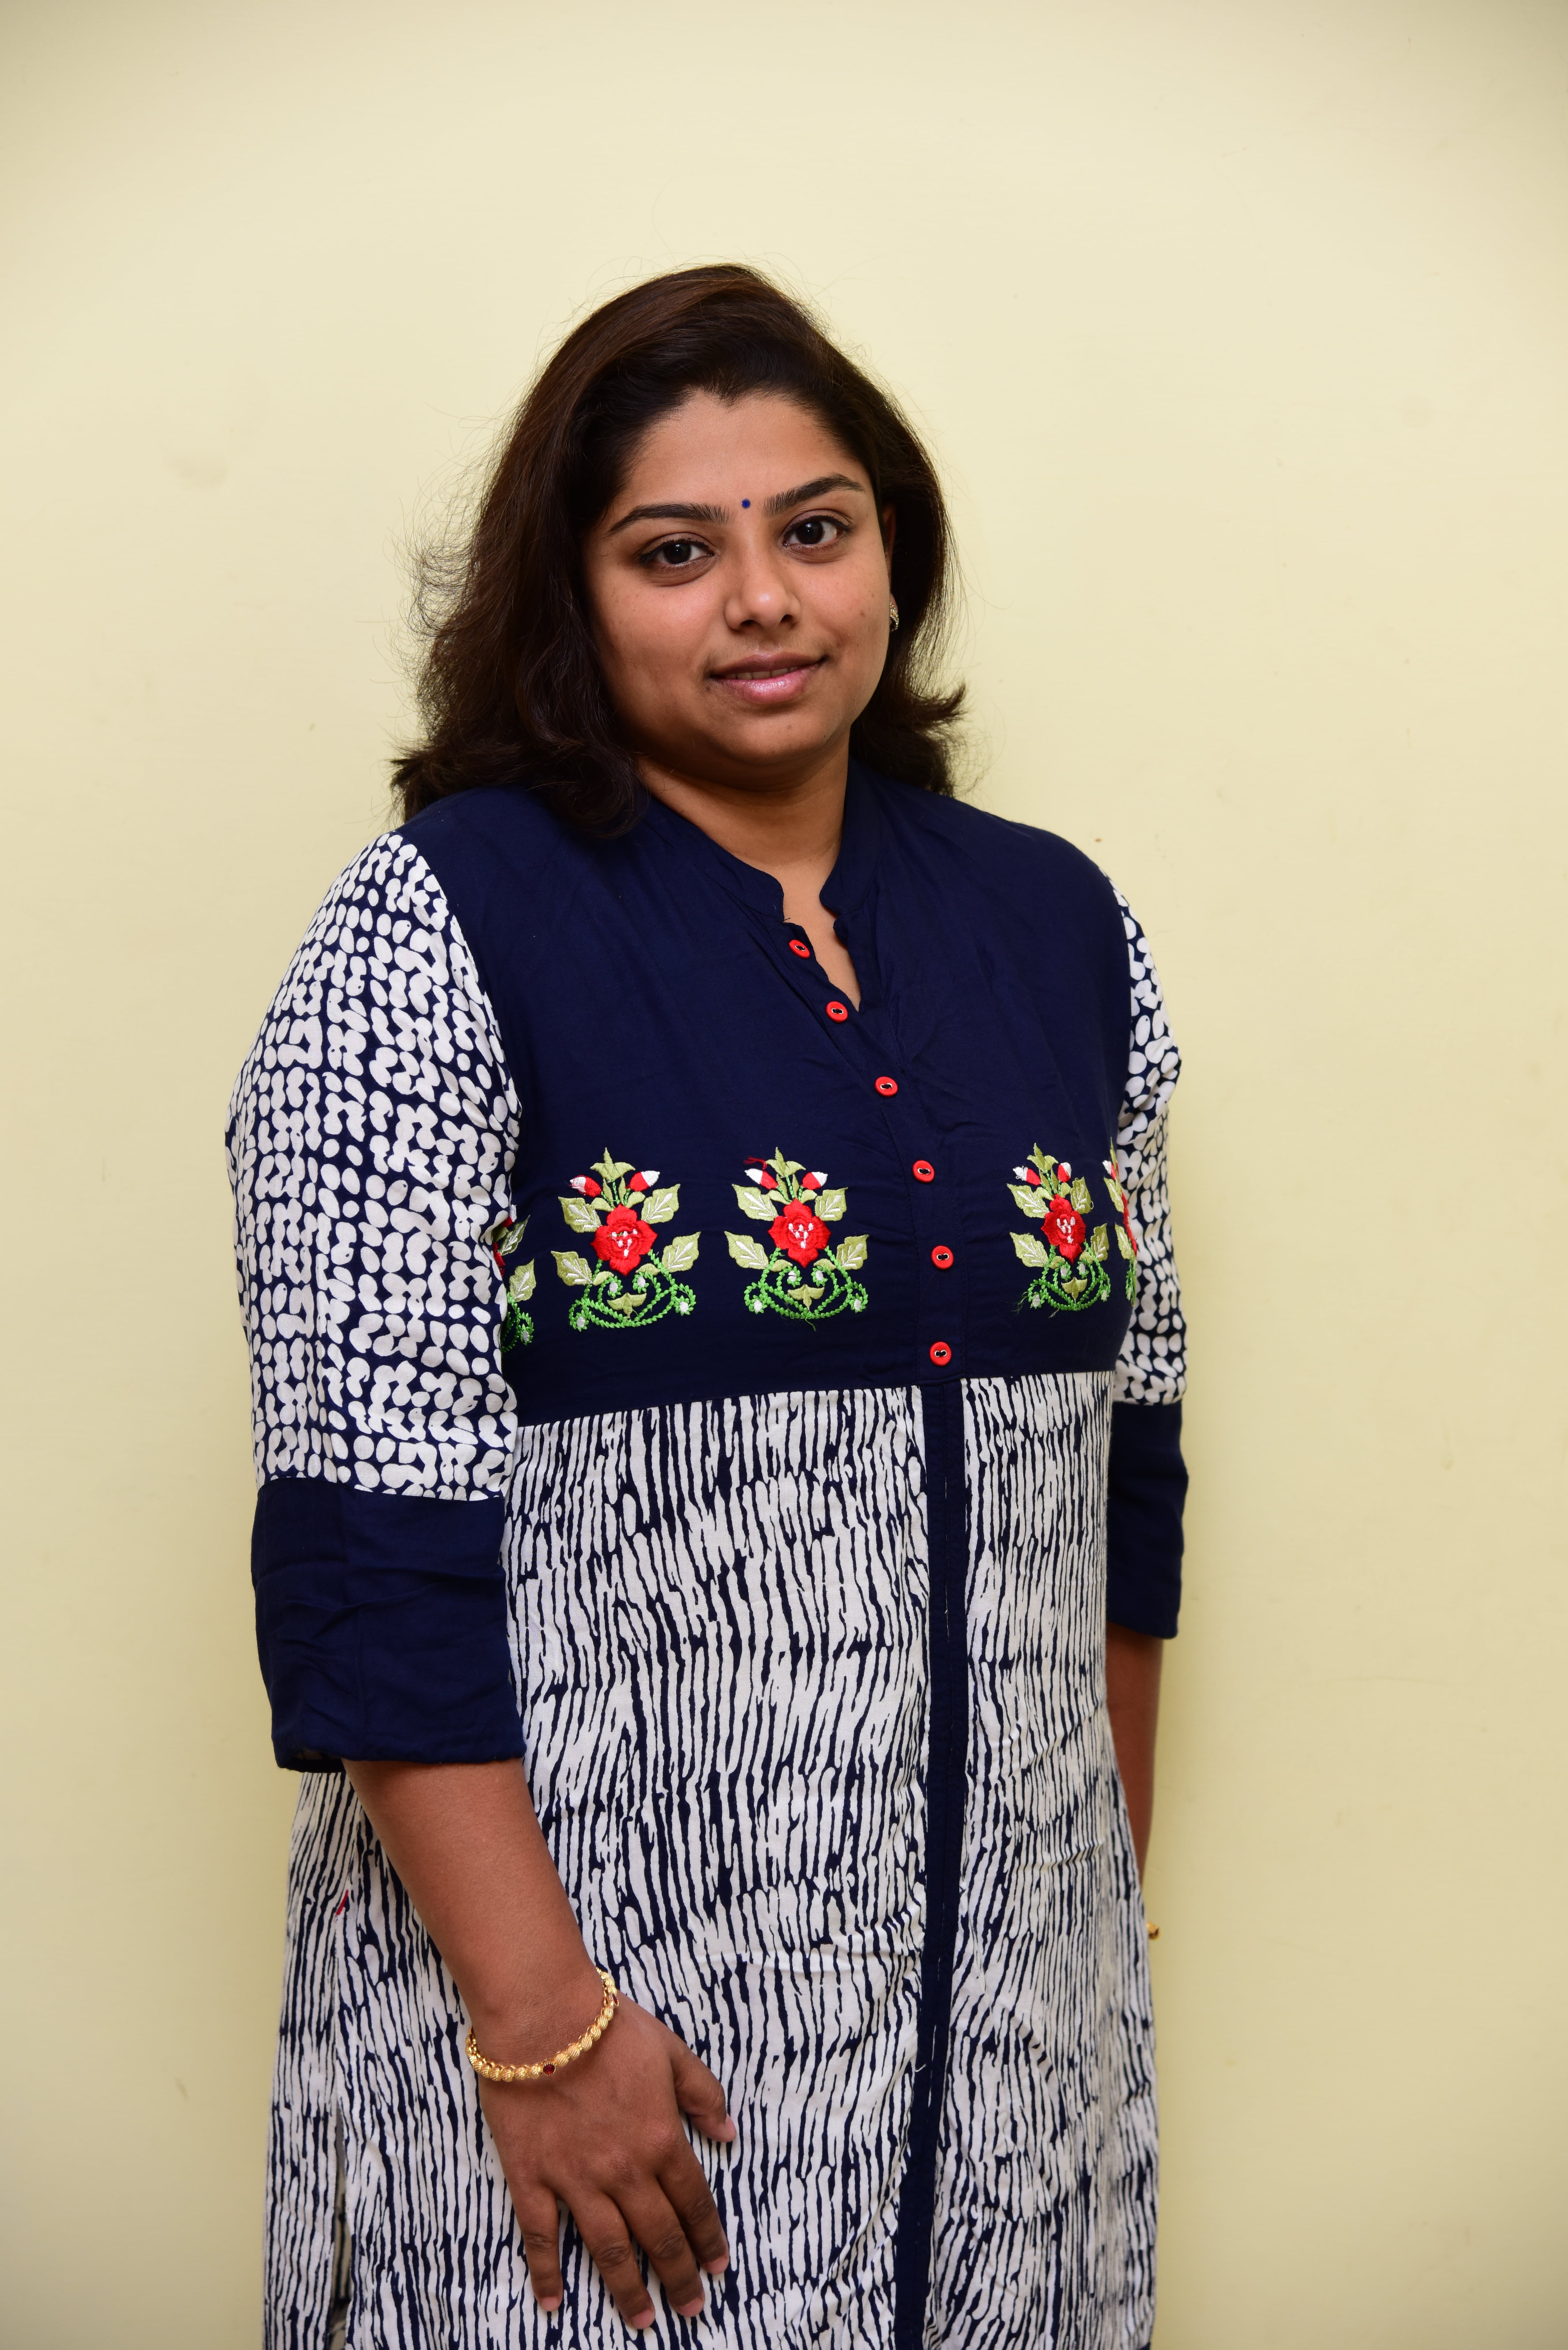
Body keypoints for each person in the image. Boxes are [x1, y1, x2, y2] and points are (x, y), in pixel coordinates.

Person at [227, 263, 1186, 2350]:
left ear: (890, 554)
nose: (763, 599)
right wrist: (544, 2029)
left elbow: (1124, 1482)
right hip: (602, 2063)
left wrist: (1086, 1938)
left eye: (814, 529)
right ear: (572, 596)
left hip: (1011, 2079)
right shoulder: (435, 932)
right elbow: (367, 1552)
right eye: (676, 552)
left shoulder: (1058, 929)